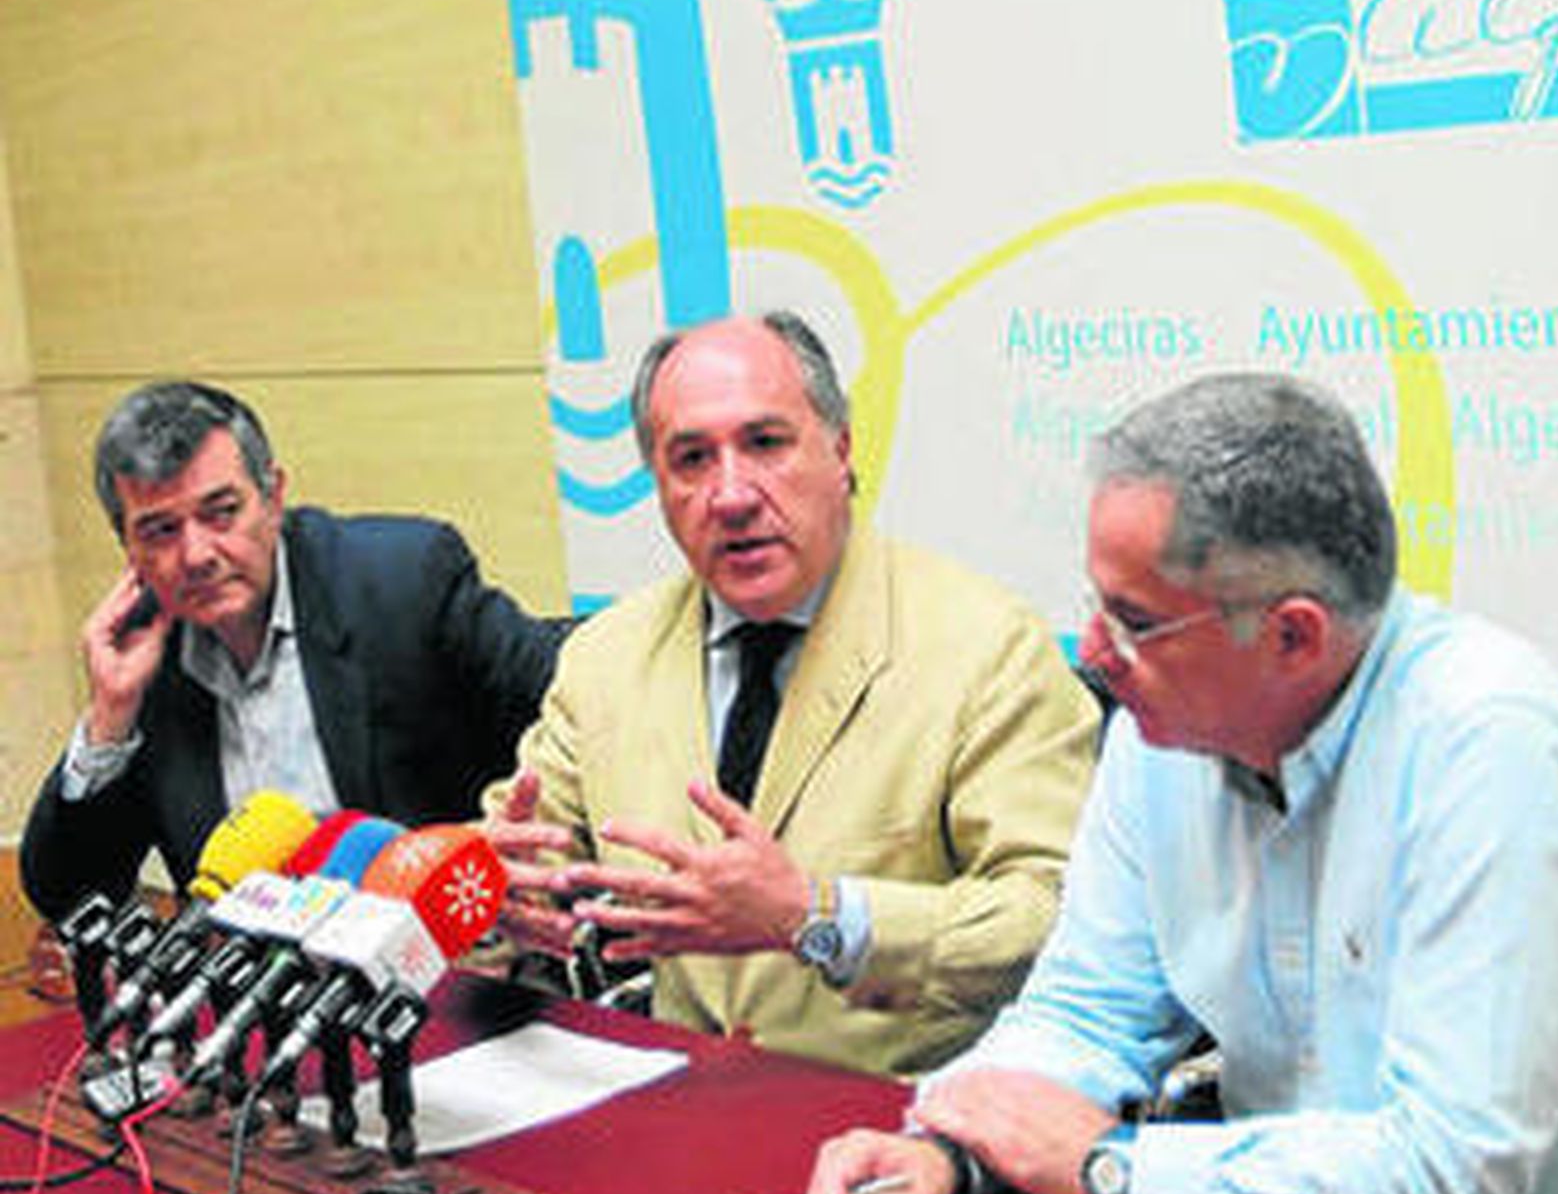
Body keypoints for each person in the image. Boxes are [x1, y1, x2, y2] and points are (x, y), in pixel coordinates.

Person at [809, 370, 1558, 1194]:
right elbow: (1087, 1009)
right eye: (1097, 604)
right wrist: (954, 1146)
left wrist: (1114, 1166)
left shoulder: (1491, 743)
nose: (1096, 654)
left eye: (1135, 621)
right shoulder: (1162, 734)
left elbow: (1457, 1174)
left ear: (1293, 637)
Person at [483, 310, 1100, 1073]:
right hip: (681, 1104)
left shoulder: (987, 646)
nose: (732, 494)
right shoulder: (605, 656)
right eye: (692, 459)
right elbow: (514, 853)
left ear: (841, 452)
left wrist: (817, 917)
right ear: (658, 487)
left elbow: (1054, 917)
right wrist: (502, 895)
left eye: (765, 444)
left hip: (908, 1123)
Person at [22, 378, 575, 921]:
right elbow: (69, 896)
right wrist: (108, 721)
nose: (196, 555)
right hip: (258, 988)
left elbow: (577, 703)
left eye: (221, 512)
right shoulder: (146, 663)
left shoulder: (403, 582)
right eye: (161, 530)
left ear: (274, 496)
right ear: (128, 548)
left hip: (446, 967)